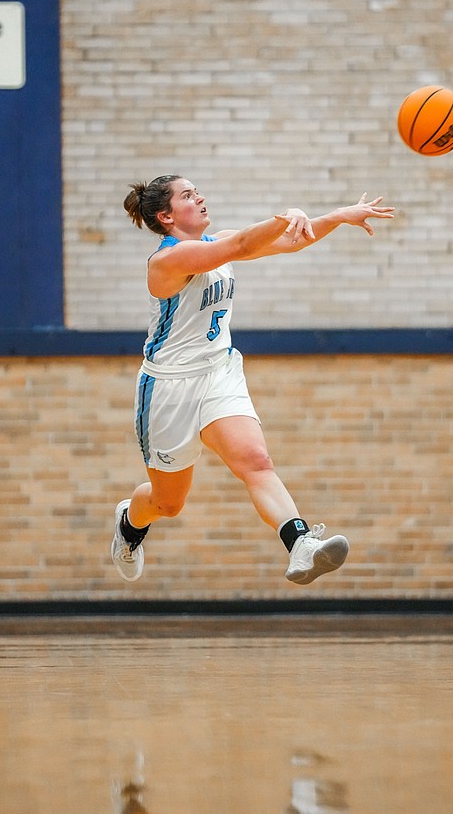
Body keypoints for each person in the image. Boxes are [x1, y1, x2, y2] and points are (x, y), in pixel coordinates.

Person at [113, 174, 394, 585]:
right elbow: (246, 244)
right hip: (169, 389)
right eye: (188, 195)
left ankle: (300, 544)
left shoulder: (217, 244)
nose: (201, 197)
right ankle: (128, 525)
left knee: (256, 461)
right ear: (166, 215)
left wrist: (337, 216)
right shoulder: (167, 261)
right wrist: (286, 216)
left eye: (198, 190)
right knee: (167, 503)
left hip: (218, 373)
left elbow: (294, 240)